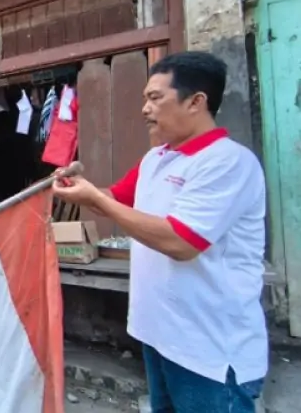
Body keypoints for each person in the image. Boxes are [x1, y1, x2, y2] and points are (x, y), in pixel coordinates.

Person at [51, 51, 267, 413]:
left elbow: (181, 241)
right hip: (158, 335)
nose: (145, 109)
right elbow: (112, 198)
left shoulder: (228, 162)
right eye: (144, 99)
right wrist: (79, 188)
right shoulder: (157, 158)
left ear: (196, 102)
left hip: (210, 350)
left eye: (155, 98)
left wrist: (96, 199)